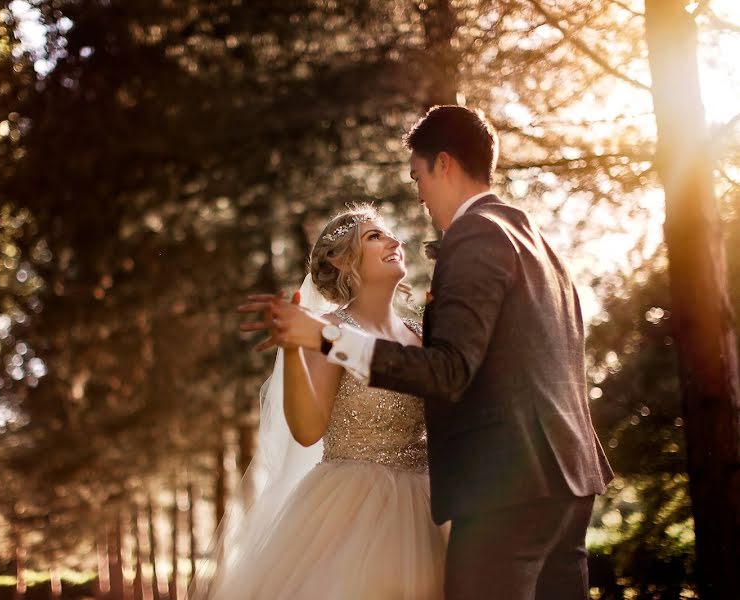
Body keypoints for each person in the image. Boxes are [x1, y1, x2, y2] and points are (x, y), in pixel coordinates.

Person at [244, 105, 614, 600]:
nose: (418, 197)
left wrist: (323, 339)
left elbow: (449, 371)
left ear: (443, 164)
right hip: (568, 479)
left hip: (509, 487)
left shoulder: (476, 234)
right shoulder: (534, 240)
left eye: (418, 176)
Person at [189, 204, 448, 599]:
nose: (395, 241)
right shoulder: (328, 331)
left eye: (390, 234)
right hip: (355, 511)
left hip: (432, 506)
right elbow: (308, 430)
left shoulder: (424, 333)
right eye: (374, 236)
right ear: (341, 260)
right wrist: (294, 350)